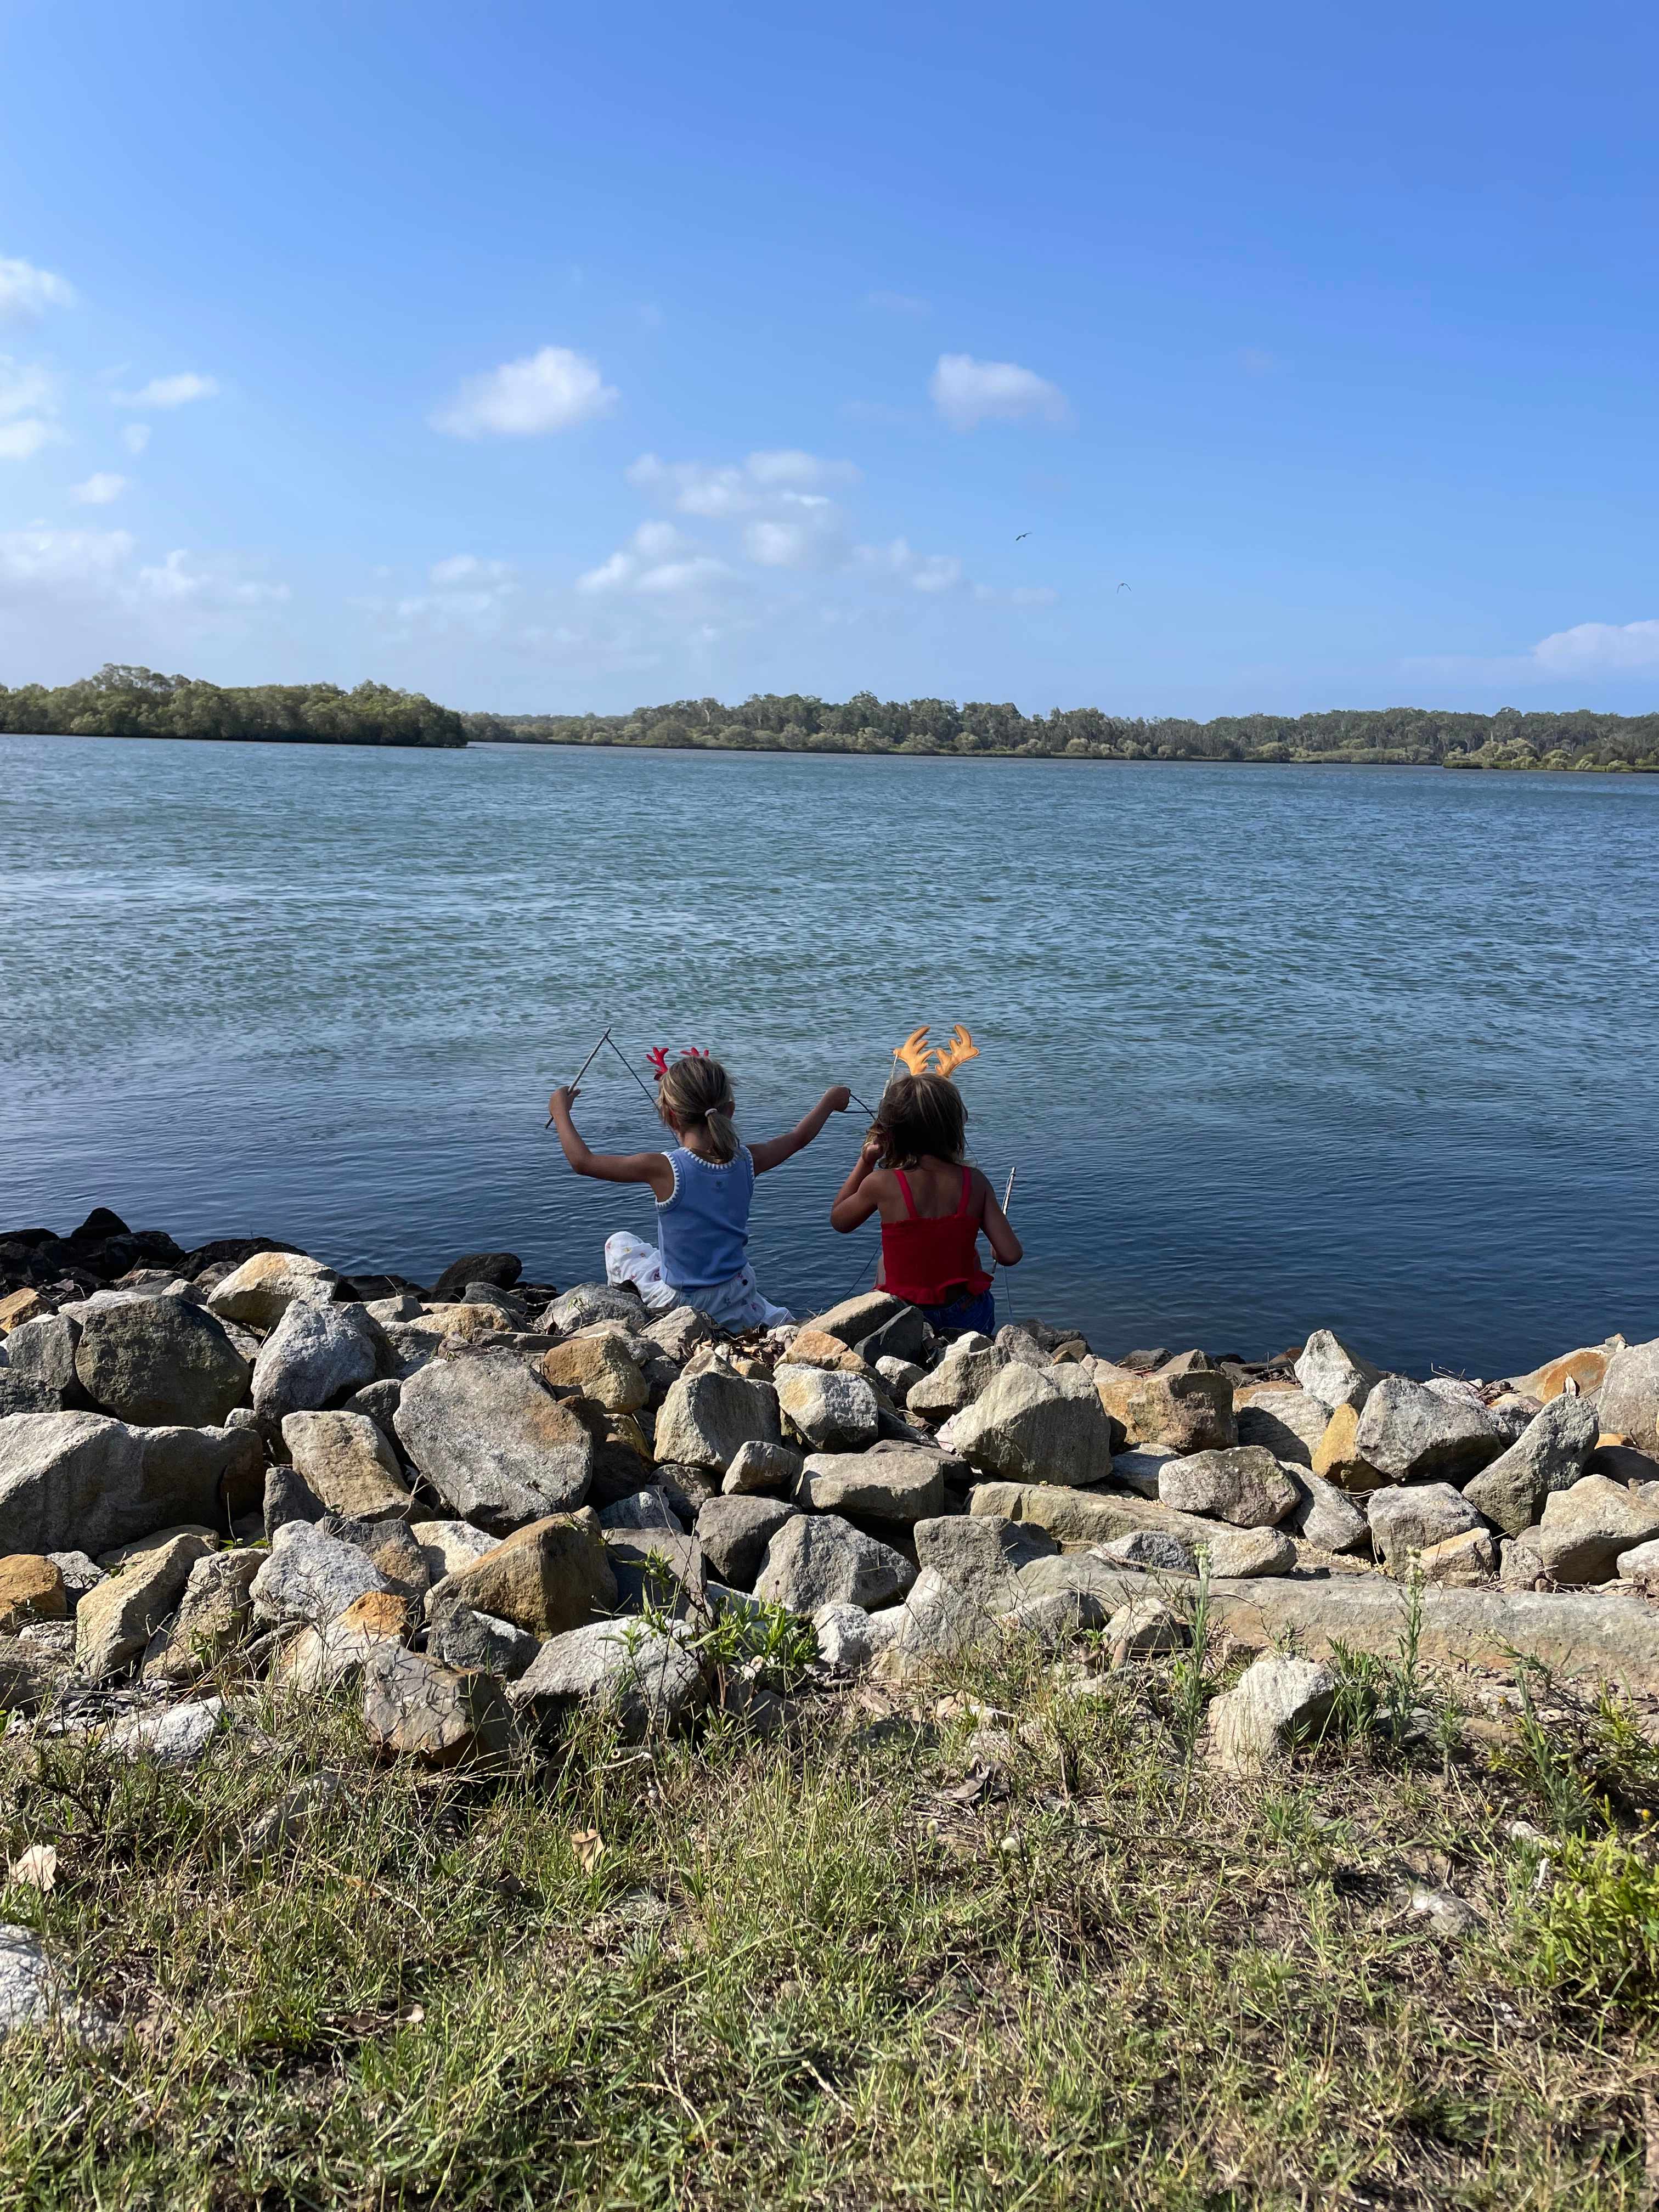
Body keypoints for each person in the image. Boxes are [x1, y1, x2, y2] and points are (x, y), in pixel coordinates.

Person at [546, 1051, 852, 1332]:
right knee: (781, 1325)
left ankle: (631, 1311)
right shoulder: (748, 1160)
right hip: (738, 1290)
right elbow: (798, 1138)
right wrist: (828, 1102)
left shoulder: (664, 1168)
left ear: (669, 1116)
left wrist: (561, 1112)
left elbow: (583, 1162)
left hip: (684, 1301)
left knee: (619, 1243)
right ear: (729, 1111)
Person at [828, 1069, 1020, 1336]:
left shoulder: (881, 1183)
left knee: (886, 1261)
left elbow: (840, 1220)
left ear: (891, 1131)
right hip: (966, 1315)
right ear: (954, 1126)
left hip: (903, 1316)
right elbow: (1010, 1255)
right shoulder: (975, 1182)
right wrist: (993, 1250)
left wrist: (867, 1160)